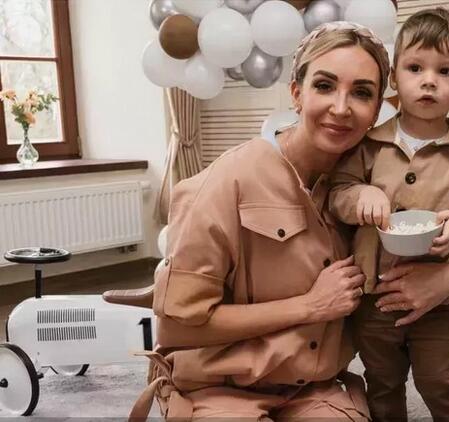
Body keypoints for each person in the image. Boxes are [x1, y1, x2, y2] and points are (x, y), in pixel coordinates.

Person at [129, 22, 393, 421]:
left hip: (314, 388)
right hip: (215, 387)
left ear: (376, 111)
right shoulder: (229, 180)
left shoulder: (377, 185)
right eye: (324, 86)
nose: (341, 108)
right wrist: (309, 306)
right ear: (296, 93)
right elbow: (176, 329)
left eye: (361, 93)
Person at [329, 8, 449, 422]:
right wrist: (362, 194)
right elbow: (337, 194)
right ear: (394, 77)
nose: (429, 80)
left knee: (442, 379)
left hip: (437, 301)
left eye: (445, 71)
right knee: (382, 381)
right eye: (415, 68)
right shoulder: (367, 146)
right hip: (373, 297)